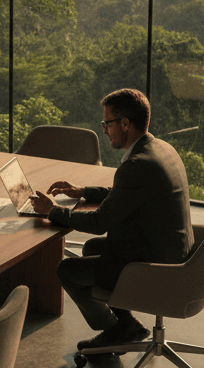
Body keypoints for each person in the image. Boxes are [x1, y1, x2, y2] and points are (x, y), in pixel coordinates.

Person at [31, 88, 192, 353]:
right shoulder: (159, 149)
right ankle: (126, 324)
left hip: (156, 267)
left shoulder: (136, 165)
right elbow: (127, 194)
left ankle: (114, 330)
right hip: (170, 250)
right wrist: (83, 191)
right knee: (92, 248)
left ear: (125, 124)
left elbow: (98, 223)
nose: (104, 130)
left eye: (107, 123)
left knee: (67, 271)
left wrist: (53, 211)